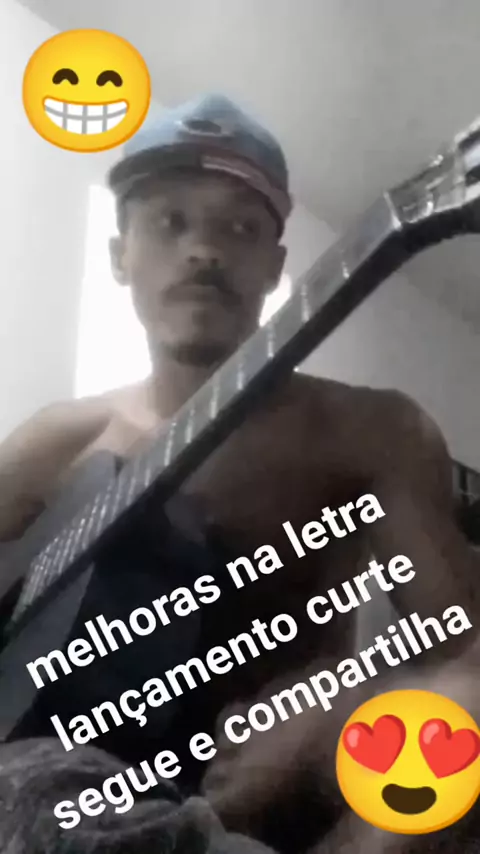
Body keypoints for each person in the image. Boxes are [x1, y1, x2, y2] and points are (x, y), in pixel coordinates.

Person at [0, 94, 478, 854]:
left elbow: (465, 656)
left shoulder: (370, 430)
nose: (204, 250)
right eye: (170, 221)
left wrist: (325, 707)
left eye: (241, 228)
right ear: (120, 255)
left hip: (263, 798)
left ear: (276, 268)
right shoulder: (57, 442)